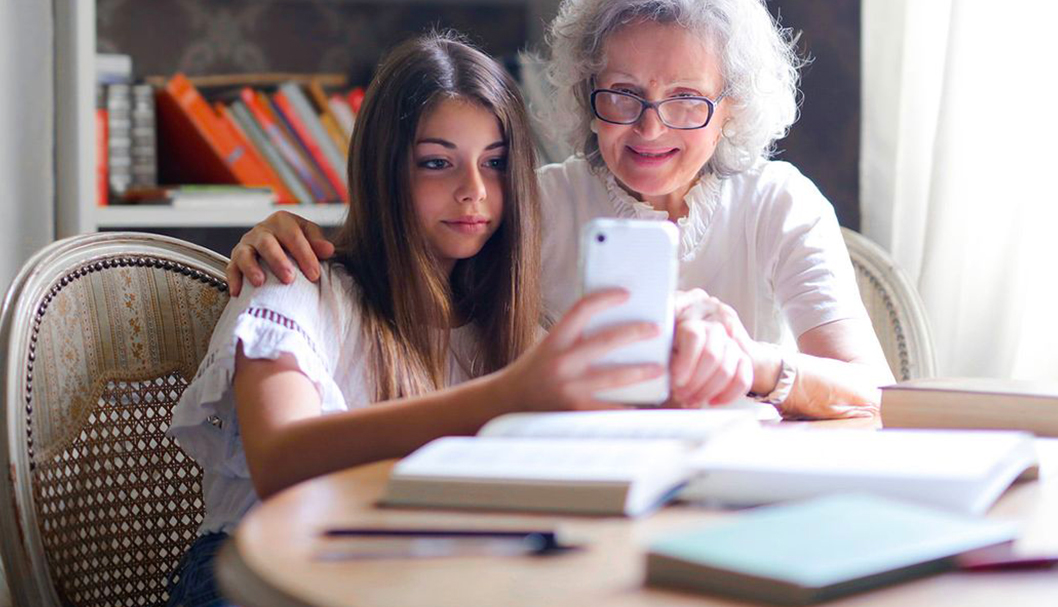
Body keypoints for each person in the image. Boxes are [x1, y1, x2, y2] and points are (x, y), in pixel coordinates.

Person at [226, 0, 894, 420]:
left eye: (687, 100)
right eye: (623, 94)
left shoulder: (779, 201)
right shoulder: (532, 203)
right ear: (584, 89)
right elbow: (402, 256)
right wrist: (289, 233)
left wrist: (753, 363)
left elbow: (872, 392)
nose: (649, 129)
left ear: (732, 109)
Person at [164, 33, 700, 607]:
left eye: (494, 164)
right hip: (258, 581)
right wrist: (511, 395)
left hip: (412, 574)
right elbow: (281, 462)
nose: (473, 191)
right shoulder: (296, 283)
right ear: (384, 170)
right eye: (437, 163)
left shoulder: (515, 324)